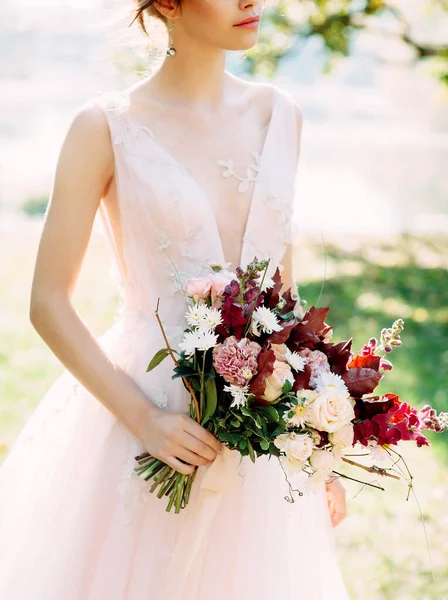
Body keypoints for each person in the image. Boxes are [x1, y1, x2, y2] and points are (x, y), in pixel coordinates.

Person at [0, 1, 350, 598]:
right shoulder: (104, 126)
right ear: (166, 3)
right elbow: (47, 301)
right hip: (145, 411)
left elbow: (282, 299)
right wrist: (147, 419)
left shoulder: (279, 114)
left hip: (260, 421)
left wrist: (314, 446)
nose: (252, 2)